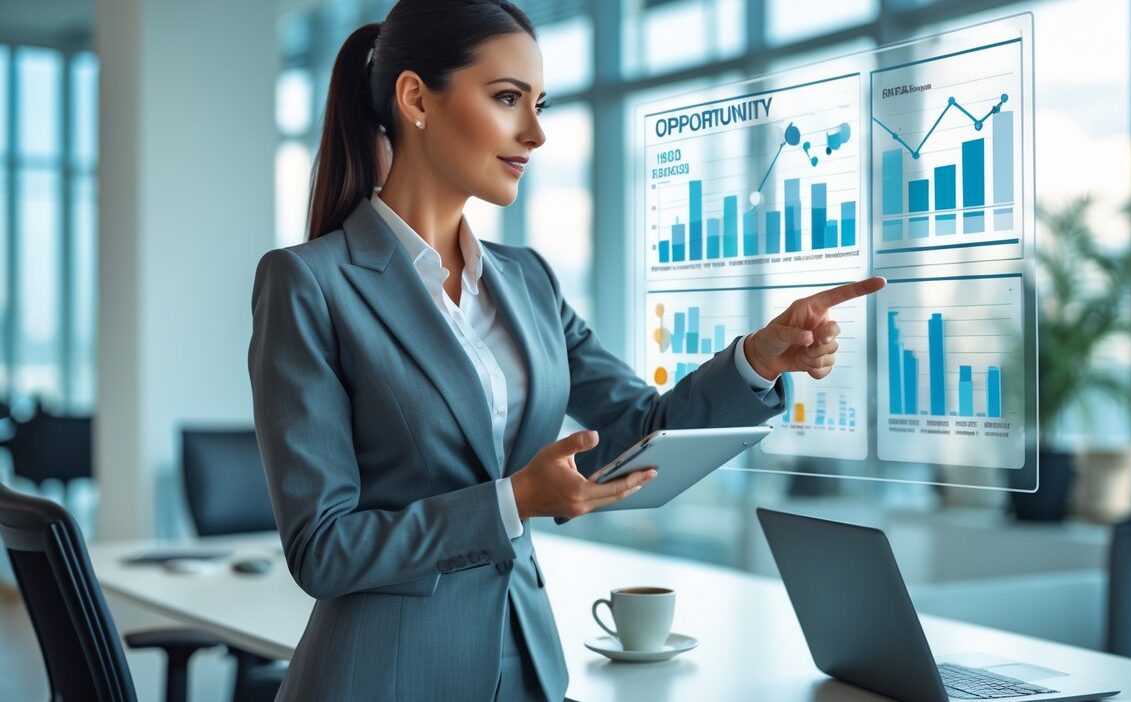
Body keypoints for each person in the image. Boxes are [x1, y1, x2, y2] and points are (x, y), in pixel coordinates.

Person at [247, 1, 885, 699]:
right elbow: (322, 550)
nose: (536, 132)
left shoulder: (527, 281)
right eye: (506, 98)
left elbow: (636, 432)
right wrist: (511, 500)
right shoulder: (309, 283)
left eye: (539, 103)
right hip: (387, 675)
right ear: (415, 99)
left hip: (525, 663)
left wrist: (757, 361)